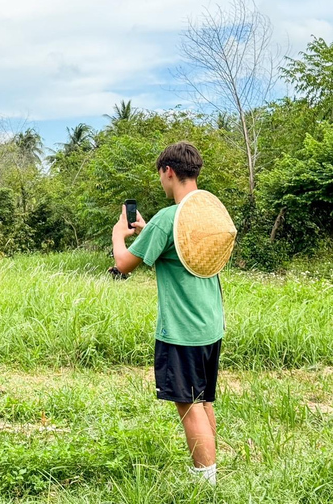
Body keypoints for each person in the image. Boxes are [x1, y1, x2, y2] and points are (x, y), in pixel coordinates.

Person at [111, 141, 225, 486]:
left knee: (188, 406)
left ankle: (204, 483)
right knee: (203, 400)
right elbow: (181, 247)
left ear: (168, 171)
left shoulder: (167, 218)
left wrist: (119, 234)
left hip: (182, 330)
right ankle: (212, 471)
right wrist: (149, 231)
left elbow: (123, 264)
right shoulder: (209, 213)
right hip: (210, 324)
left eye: (161, 175)